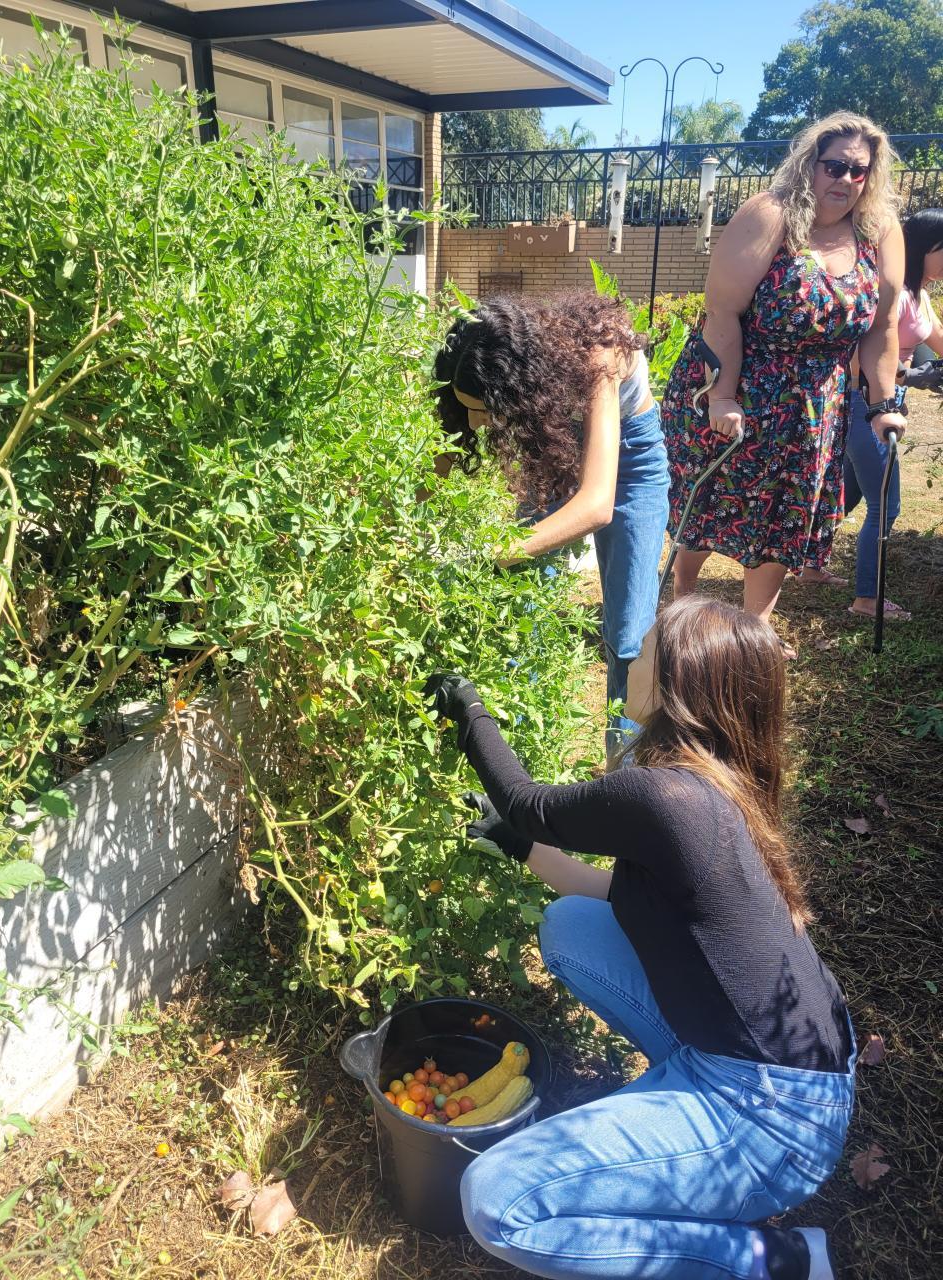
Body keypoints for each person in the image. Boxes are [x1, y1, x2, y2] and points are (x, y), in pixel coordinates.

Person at [424, 596, 855, 1280]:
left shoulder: (667, 798)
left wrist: (469, 710)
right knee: (570, 926)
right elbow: (612, 895)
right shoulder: (715, 784)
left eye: (648, 648)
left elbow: (530, 803)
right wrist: (514, 844)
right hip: (779, 1070)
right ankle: (676, 1107)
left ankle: (778, 1262)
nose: (630, 657)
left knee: (496, 1202)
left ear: (682, 678)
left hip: (771, 1119)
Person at [661, 112, 907, 658]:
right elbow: (722, 312)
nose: (847, 179)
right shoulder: (770, 215)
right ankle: (683, 600)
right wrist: (723, 395)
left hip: (816, 404)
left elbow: (883, 326)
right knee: (710, 502)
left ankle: (755, 631)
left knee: (783, 514)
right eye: (835, 166)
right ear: (810, 164)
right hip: (739, 380)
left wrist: (882, 403)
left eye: (860, 171)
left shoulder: (879, 230)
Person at [432, 292, 669, 760]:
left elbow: (596, 504)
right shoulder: (485, 369)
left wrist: (494, 550)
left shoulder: (599, 354)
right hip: (556, 447)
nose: (475, 425)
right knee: (523, 613)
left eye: (484, 410)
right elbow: (437, 468)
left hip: (632, 462)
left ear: (516, 387)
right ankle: (517, 767)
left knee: (629, 638)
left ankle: (626, 775)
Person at [843, 208, 943, 621]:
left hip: (887, 404)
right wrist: (909, 375)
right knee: (886, 503)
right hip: (865, 404)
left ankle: (810, 566)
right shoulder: (895, 296)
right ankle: (867, 598)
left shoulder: (920, 297)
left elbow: (938, 340)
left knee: (848, 493)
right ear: (925, 248)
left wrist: (922, 373)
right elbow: (857, 360)